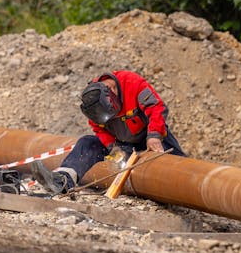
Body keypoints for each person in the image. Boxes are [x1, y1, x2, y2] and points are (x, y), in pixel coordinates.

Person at [33, 70, 186, 194]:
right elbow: (98, 129)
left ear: (113, 91)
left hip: (151, 137)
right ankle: (63, 180)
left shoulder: (133, 83)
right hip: (123, 144)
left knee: (180, 169)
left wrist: (154, 136)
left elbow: (157, 108)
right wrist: (113, 148)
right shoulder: (92, 103)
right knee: (87, 143)